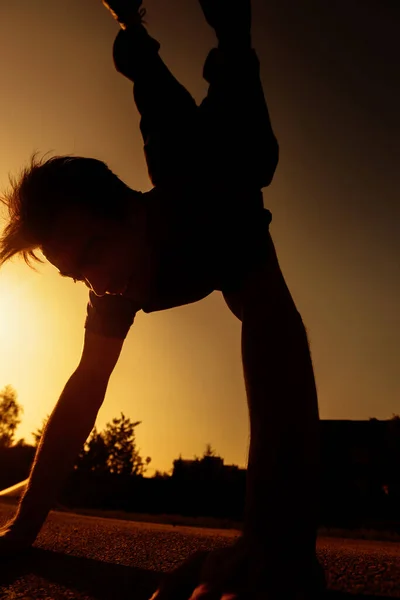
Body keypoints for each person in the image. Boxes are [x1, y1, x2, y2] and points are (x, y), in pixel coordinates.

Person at [0, 0, 326, 597]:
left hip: (220, 160)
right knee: (154, 87)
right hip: (181, 159)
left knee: (240, 134)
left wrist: (275, 543)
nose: (95, 283)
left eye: (94, 254)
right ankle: (133, 28)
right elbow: (83, 390)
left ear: (131, 211)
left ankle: (226, 26)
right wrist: (22, 529)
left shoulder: (208, 209)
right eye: (77, 275)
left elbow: (273, 324)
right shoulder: (110, 284)